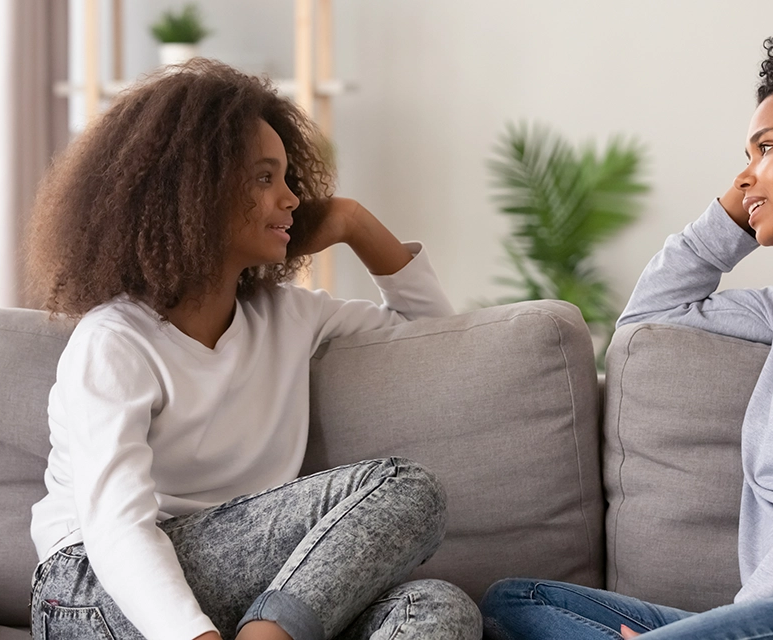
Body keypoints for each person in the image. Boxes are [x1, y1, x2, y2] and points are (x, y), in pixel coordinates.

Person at [480, 19, 773, 640]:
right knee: (514, 604)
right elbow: (647, 321)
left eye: (766, 148)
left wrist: (737, 620)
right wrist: (731, 216)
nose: (747, 176)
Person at [26, 59, 481, 640]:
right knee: (406, 488)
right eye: (264, 178)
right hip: (91, 591)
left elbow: (439, 340)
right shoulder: (113, 341)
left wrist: (353, 223)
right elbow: (117, 529)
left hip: (240, 590)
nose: (292, 199)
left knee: (436, 608)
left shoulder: (291, 314)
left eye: (289, 178)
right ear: (190, 192)